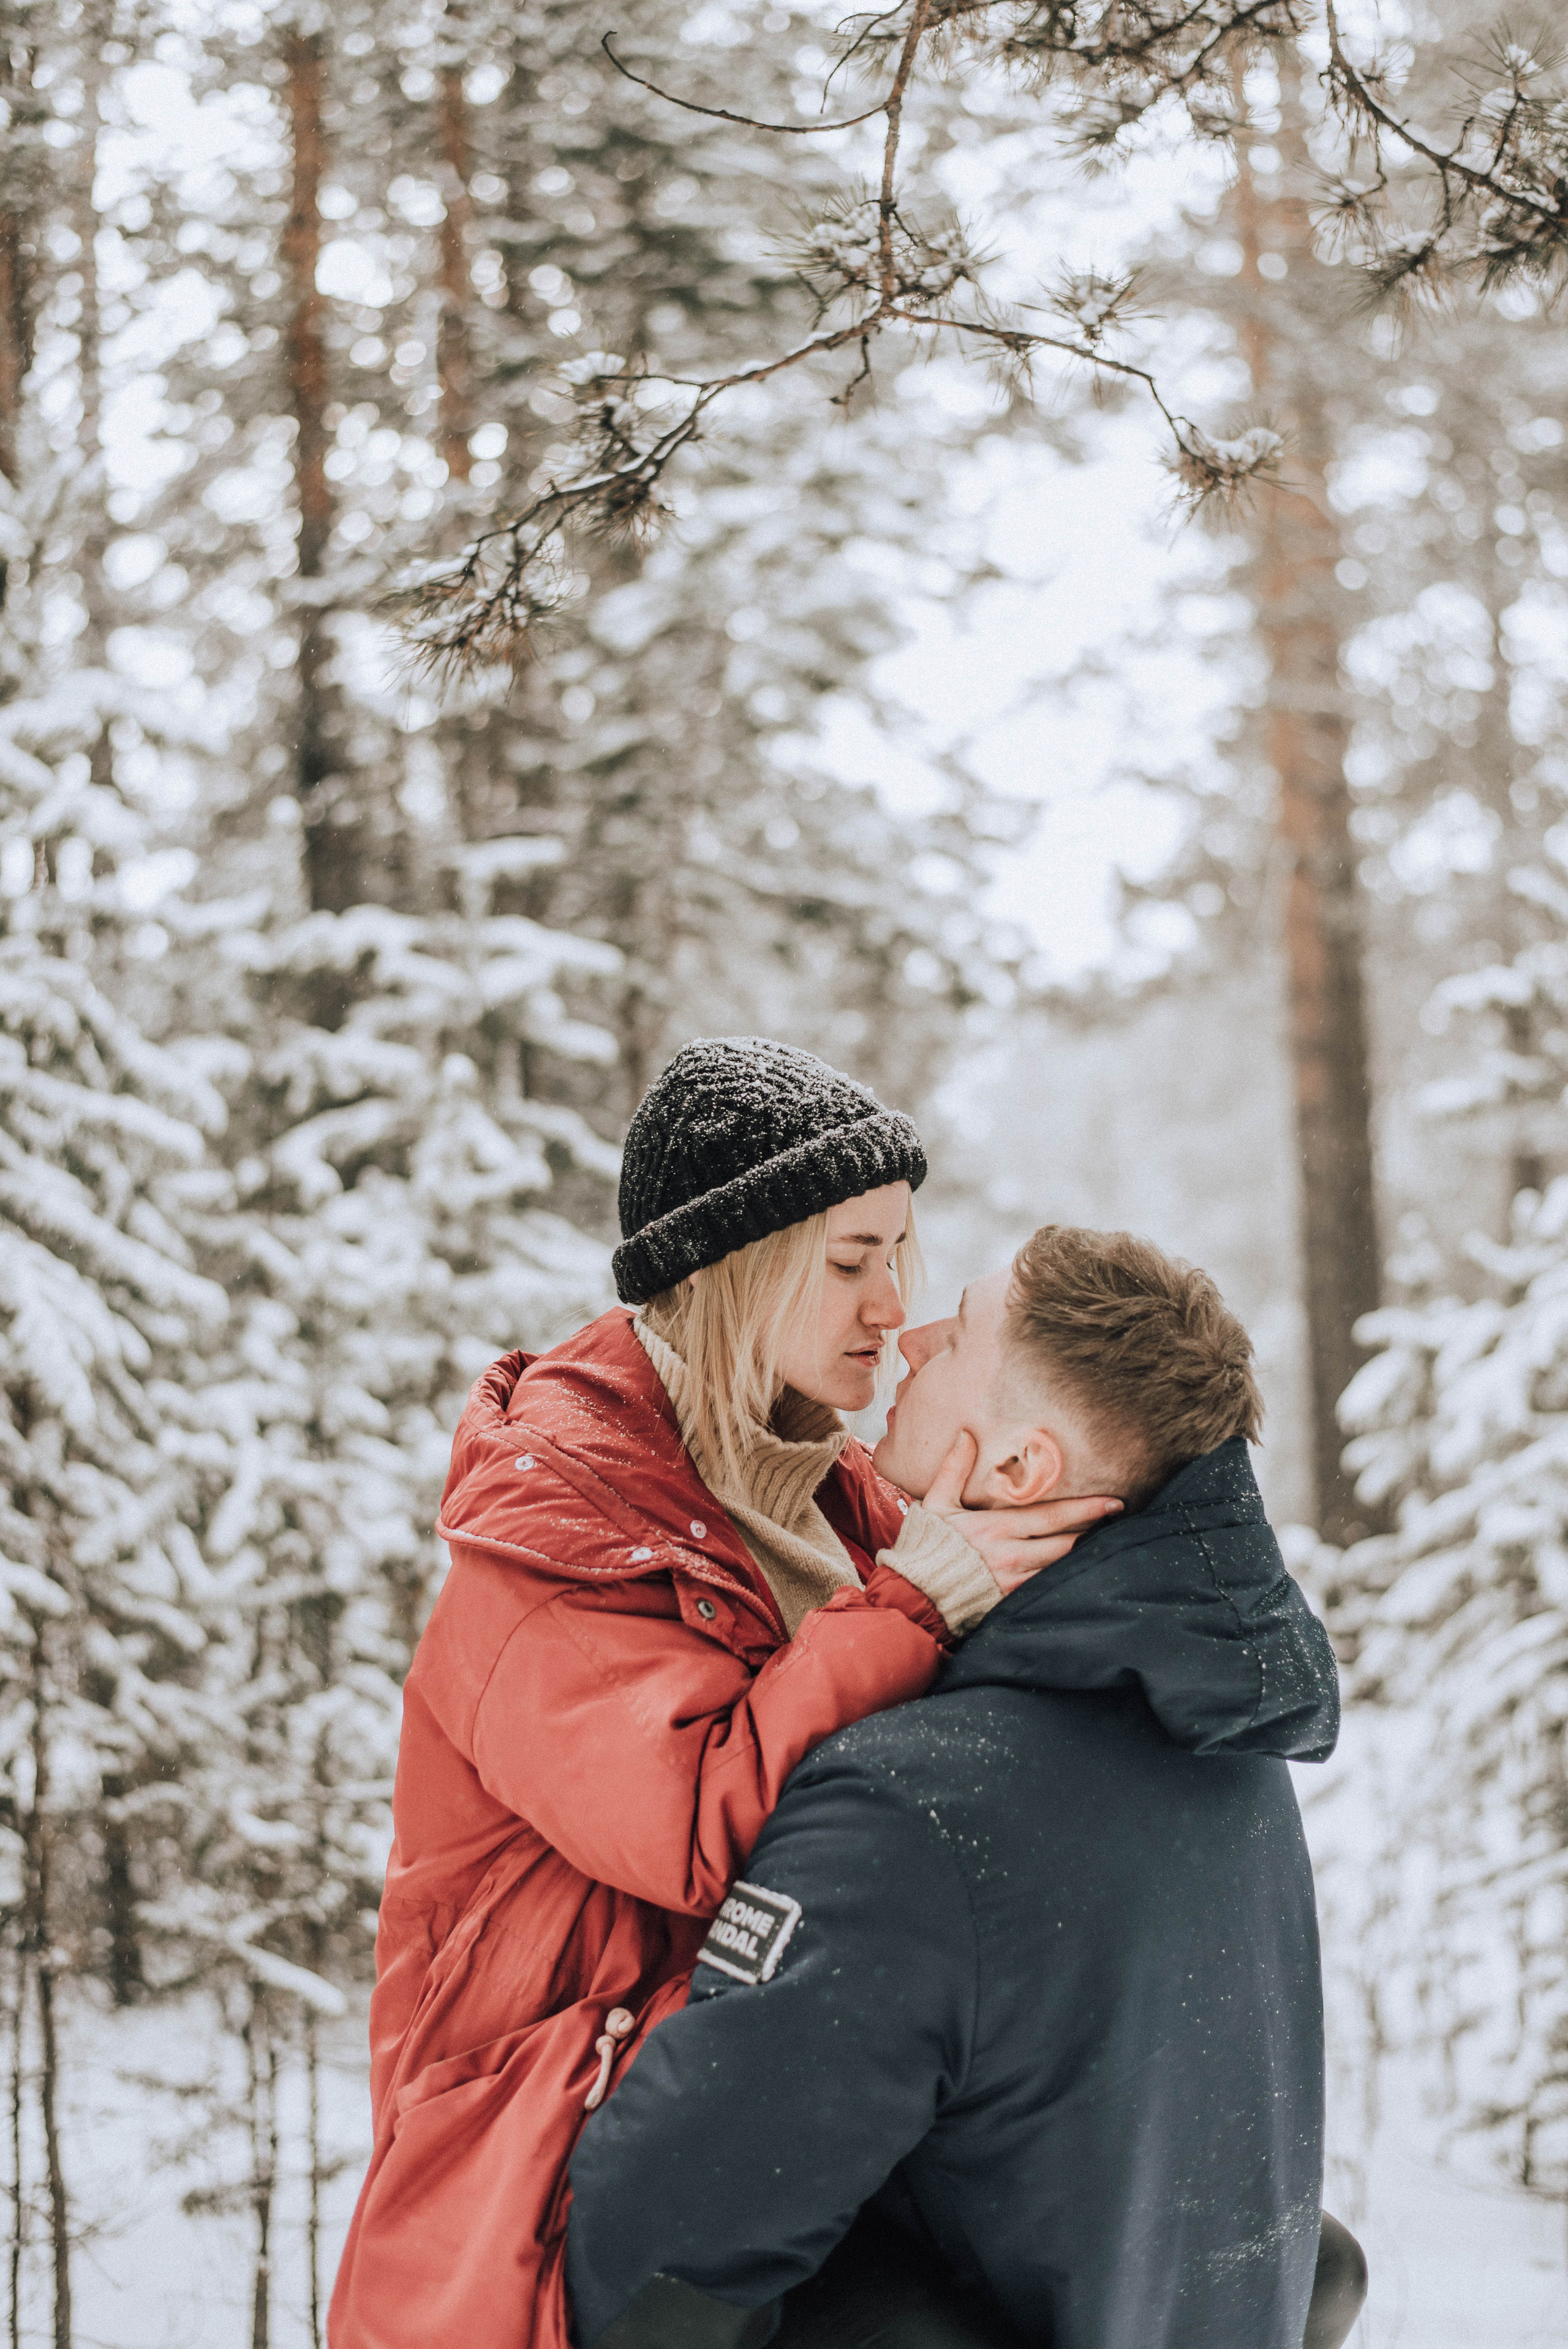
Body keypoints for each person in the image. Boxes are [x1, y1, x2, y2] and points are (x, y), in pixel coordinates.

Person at [328, 1043, 1118, 2349]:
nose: (890, 1305)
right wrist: (912, 1610)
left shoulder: (831, 1503)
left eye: (901, 1257)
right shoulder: (550, 1547)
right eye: (851, 1261)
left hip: (770, 2109)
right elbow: (700, 1829)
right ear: (728, 1268)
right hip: (544, 2166)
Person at [567, 1226, 1367, 2349]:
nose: (911, 1327)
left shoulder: (916, 1808)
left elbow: (656, 2259)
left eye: (961, 1336)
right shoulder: (1227, 1751)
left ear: (1016, 1471)